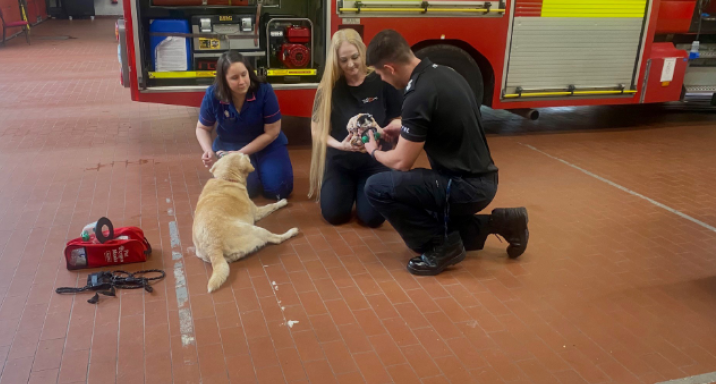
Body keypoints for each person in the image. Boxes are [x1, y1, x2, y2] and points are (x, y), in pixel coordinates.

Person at [361, 29, 529, 276]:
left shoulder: (418, 94)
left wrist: (373, 151)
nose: (381, 79)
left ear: (390, 68)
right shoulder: (445, 73)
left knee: (377, 187)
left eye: (379, 73)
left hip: (463, 186)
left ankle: (442, 247)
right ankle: (506, 223)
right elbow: (441, 118)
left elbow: (401, 162)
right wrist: (403, 126)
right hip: (483, 180)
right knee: (428, 214)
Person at [308, 29, 403, 227]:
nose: (350, 64)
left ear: (362, 52)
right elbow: (317, 131)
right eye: (343, 60)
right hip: (341, 162)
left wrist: (381, 131)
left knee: (372, 219)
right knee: (334, 215)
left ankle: (368, 188)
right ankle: (346, 189)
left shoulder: (381, 80)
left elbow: (398, 118)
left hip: (374, 161)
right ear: (336, 61)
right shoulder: (329, 88)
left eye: (354, 57)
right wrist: (341, 146)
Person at [196, 50, 294, 200]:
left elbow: (272, 132)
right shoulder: (213, 95)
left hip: (267, 144)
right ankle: (258, 173)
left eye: (244, 74)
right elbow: (202, 128)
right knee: (246, 190)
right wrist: (208, 151)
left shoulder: (264, 90)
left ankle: (264, 169)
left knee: (278, 190)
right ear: (224, 80)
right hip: (231, 146)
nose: (242, 81)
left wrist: (241, 153)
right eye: (234, 78)